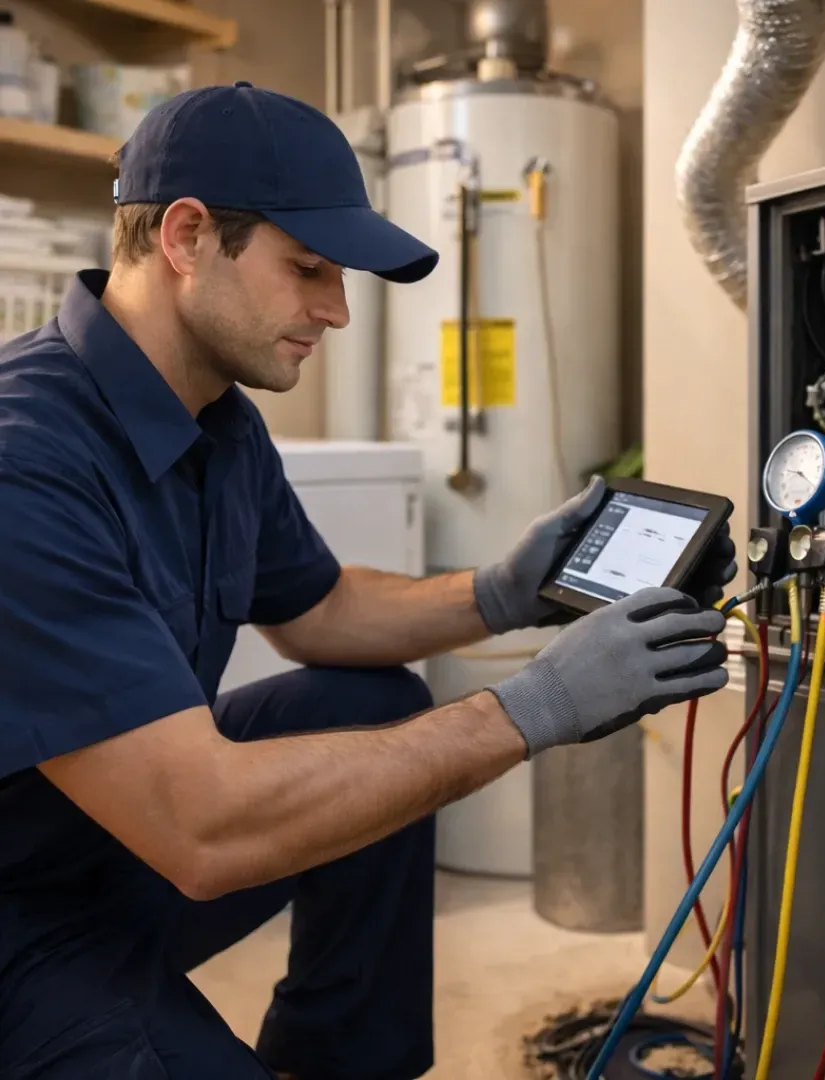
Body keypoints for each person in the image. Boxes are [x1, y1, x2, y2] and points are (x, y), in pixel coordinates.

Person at [0, 83, 735, 1080]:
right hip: (26, 916)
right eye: (307, 268)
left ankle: (339, 1059)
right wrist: (532, 708)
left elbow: (322, 613)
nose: (337, 311)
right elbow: (202, 824)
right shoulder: (26, 458)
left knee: (370, 700)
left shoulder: (218, 422)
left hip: (114, 858)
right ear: (185, 237)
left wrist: (500, 592)